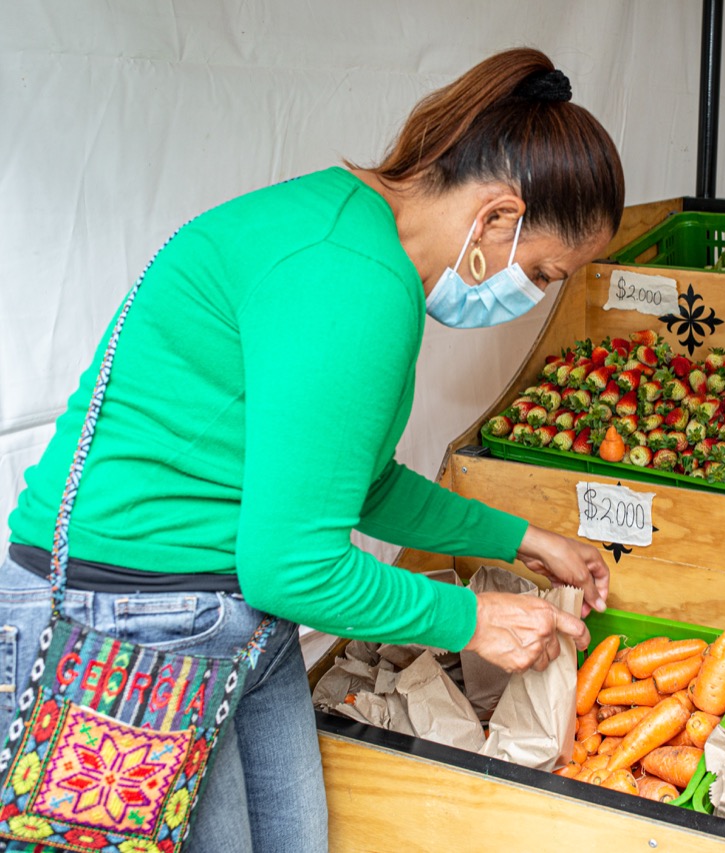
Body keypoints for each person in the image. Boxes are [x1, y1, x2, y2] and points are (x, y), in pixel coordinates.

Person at [0, 47, 622, 851]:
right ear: (497, 218)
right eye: (543, 272)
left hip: (230, 610)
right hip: (138, 616)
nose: (534, 295)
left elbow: (355, 486)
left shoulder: (356, 239)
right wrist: (472, 618)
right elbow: (293, 563)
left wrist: (524, 540)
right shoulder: (352, 280)